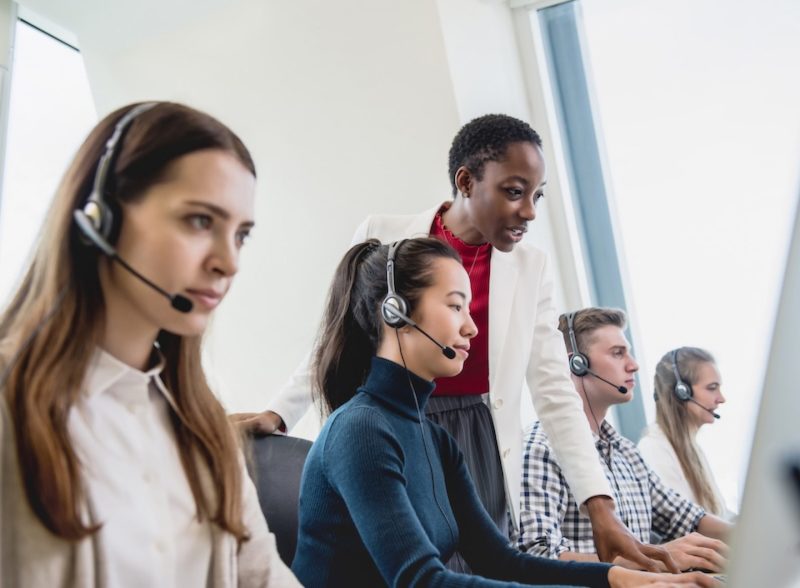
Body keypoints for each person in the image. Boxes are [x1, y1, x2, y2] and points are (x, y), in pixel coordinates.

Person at [233, 114, 676, 570]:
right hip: (393, 420)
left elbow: (553, 390)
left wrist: (600, 510)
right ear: (466, 181)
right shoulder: (384, 236)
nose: (529, 211)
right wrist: (280, 412)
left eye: (537, 195)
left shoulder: (529, 267)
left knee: (487, 565)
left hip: (473, 438)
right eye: (514, 191)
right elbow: (337, 334)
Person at [291, 238, 716, 587]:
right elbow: (422, 582)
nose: (471, 326)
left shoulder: (435, 439)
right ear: (396, 311)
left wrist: (618, 579)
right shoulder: (361, 430)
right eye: (456, 306)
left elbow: (502, 562)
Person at [0, 102, 300, 587]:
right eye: (201, 221)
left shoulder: (201, 424)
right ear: (100, 217)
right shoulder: (12, 405)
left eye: (241, 234)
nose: (229, 261)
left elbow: (262, 575)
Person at [518, 308, 731, 572]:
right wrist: (651, 560)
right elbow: (536, 557)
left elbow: (687, 517)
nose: (634, 364)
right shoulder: (540, 447)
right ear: (576, 364)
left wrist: (756, 536)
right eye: (617, 353)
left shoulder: (626, 452)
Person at [638, 348, 734, 520]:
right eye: (712, 388)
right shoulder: (654, 449)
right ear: (682, 391)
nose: (721, 398)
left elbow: (720, 515)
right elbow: (684, 524)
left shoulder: (692, 448)